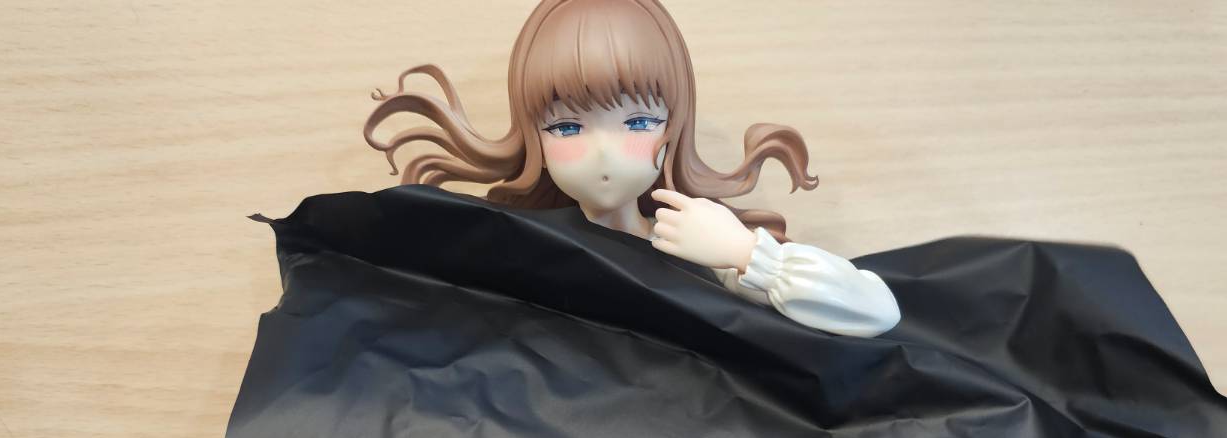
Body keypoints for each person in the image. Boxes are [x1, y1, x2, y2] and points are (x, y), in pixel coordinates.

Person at [363, 0, 901, 338]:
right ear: (533, 138)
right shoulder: (521, 246)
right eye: (567, 127)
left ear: (676, 125)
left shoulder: (696, 244)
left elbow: (877, 310)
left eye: (638, 122)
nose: (606, 154)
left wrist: (746, 255)